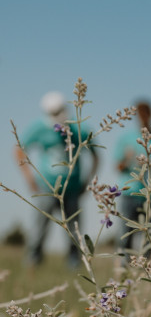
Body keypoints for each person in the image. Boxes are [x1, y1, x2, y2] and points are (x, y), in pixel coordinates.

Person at [14, 91, 98, 266]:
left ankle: (75, 266)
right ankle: (32, 264)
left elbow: (96, 155)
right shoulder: (39, 127)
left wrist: (88, 182)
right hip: (47, 186)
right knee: (39, 229)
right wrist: (29, 178)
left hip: (73, 187)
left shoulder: (78, 128)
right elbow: (19, 150)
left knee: (74, 231)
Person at [114, 99, 151, 255]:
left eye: (145, 114)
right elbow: (118, 167)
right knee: (125, 235)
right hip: (130, 193)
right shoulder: (127, 138)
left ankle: (146, 272)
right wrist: (127, 159)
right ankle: (123, 269)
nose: (143, 117)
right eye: (140, 114)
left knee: (149, 237)